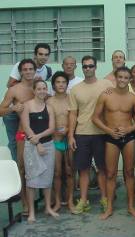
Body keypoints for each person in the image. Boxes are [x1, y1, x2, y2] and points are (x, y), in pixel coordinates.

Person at [92, 66, 135, 219]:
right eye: (119, 77)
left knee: (129, 172)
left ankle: (130, 206)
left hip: (128, 139)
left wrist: (130, 129)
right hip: (111, 138)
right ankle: (109, 208)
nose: (122, 80)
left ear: (130, 79)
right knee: (111, 173)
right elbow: (95, 118)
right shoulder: (105, 95)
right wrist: (108, 130)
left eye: (125, 78)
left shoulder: (133, 98)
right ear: (115, 77)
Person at [68, 55, 114, 214]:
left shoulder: (107, 84)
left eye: (90, 66)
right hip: (82, 133)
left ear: (95, 67)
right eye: (85, 66)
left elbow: (114, 103)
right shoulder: (75, 90)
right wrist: (70, 136)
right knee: (83, 169)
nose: (88, 68)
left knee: (103, 168)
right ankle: (83, 201)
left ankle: (104, 199)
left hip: (102, 133)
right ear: (82, 68)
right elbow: (73, 114)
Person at [0, 59, 36, 215]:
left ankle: (43, 199)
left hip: (39, 133)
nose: (28, 72)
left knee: (40, 168)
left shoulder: (39, 86)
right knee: (22, 168)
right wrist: (13, 108)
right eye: (25, 69)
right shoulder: (14, 90)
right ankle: (25, 203)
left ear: (35, 71)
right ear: (20, 72)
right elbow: (1, 110)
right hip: (22, 133)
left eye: (30, 69)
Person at [21, 80, 58, 223]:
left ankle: (48, 207)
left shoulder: (49, 107)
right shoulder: (27, 106)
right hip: (31, 146)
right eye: (39, 89)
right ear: (34, 90)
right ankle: (31, 212)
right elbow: (26, 127)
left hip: (48, 145)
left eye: (44, 88)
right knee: (32, 180)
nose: (42, 91)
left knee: (47, 179)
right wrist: (36, 143)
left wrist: (39, 138)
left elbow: (51, 128)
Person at [47, 71, 75, 213]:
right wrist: (54, 131)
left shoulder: (71, 99)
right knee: (57, 173)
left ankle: (70, 201)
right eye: (58, 82)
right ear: (53, 85)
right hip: (55, 141)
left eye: (63, 82)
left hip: (69, 140)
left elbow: (76, 118)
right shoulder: (49, 101)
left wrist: (69, 129)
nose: (61, 84)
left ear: (67, 84)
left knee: (70, 171)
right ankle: (57, 201)